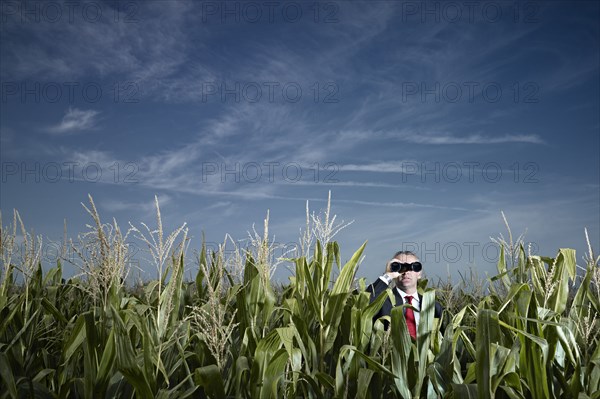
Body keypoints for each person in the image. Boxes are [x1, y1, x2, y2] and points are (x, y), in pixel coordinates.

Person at [367, 250, 443, 337]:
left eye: (412, 267)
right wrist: (388, 275)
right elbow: (364, 302)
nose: (406, 272)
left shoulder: (433, 306)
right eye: (401, 268)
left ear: (419, 273)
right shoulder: (383, 302)